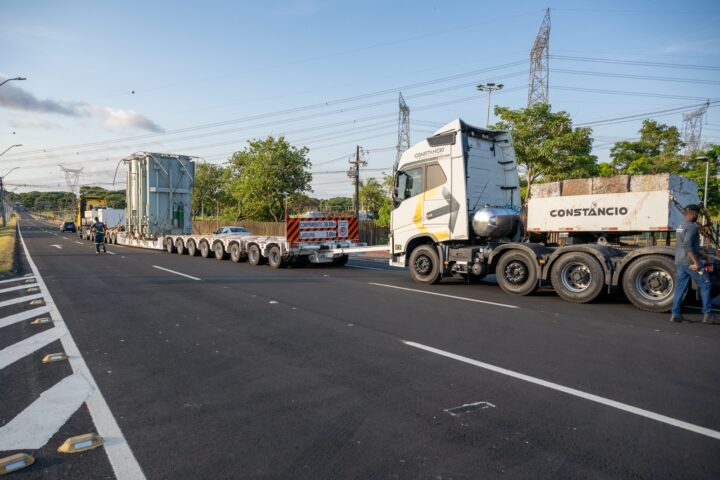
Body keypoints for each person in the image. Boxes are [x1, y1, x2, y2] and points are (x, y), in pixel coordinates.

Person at [670, 204, 718, 324]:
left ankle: (675, 315)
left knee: (681, 287)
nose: (698, 216)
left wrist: (702, 253)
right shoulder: (692, 226)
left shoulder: (680, 226)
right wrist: (696, 262)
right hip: (690, 262)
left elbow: (684, 244)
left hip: (680, 261)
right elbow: (687, 245)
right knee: (706, 284)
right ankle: (708, 315)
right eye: (697, 213)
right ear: (693, 213)